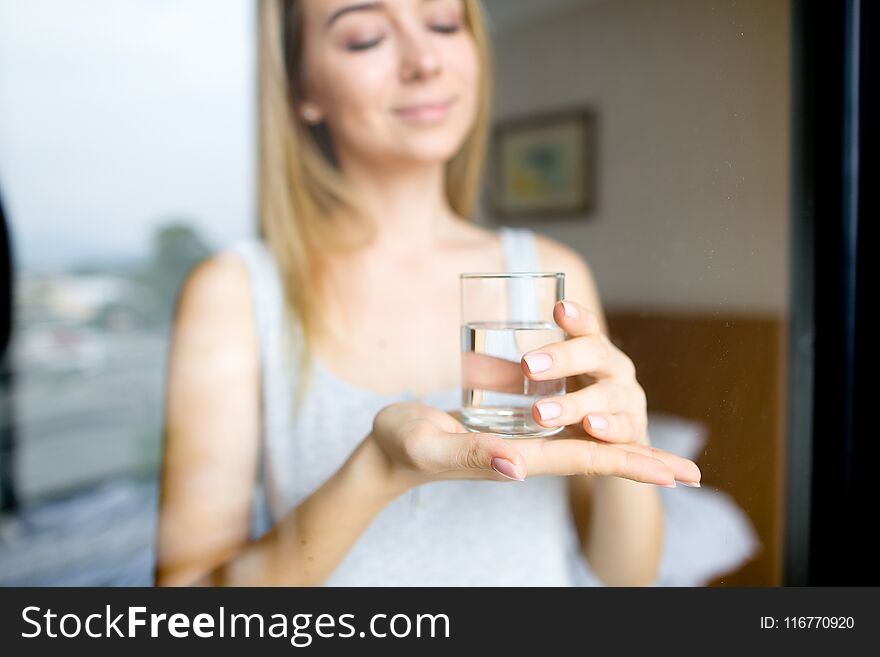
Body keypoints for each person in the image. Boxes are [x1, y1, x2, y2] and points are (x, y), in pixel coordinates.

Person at [154, 0, 701, 587]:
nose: (425, 60)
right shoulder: (237, 294)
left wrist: (629, 435)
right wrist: (374, 474)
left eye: (443, 23)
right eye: (365, 37)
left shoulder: (548, 270)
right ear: (301, 87)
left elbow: (624, 580)